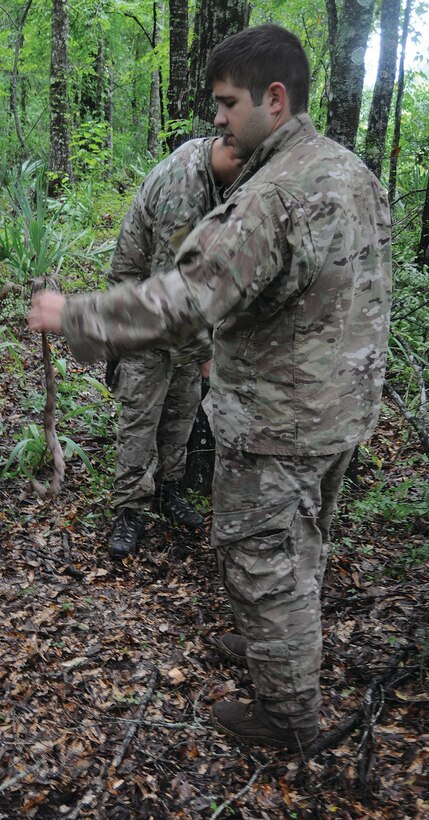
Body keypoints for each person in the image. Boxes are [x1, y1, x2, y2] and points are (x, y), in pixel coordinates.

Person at [29, 24, 392, 753]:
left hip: (278, 420)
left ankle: (286, 717)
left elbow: (189, 298)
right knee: (301, 547)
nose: (218, 118)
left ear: (275, 98)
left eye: (228, 102)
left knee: (264, 561)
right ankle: (273, 648)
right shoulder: (348, 171)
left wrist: (76, 316)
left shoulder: (274, 195)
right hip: (340, 410)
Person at [104, 137, 242, 558]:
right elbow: (172, 286)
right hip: (142, 311)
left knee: (181, 407)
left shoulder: (219, 179)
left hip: (183, 316)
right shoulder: (184, 186)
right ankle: (129, 507)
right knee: (142, 417)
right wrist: (205, 356)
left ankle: (168, 487)